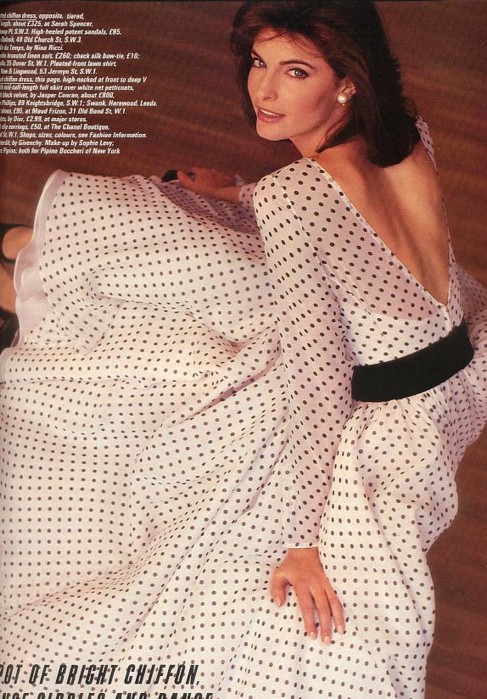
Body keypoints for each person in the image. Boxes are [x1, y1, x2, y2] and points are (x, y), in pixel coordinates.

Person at [0, 2, 486, 699]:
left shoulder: (294, 198)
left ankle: (24, 263)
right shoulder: (405, 135)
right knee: (199, 263)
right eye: (260, 63)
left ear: (346, 82)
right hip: (449, 373)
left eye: (295, 72)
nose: (264, 89)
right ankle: (25, 255)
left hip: (379, 424)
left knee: (173, 343)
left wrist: (303, 541)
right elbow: (353, 221)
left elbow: (318, 386)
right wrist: (240, 192)